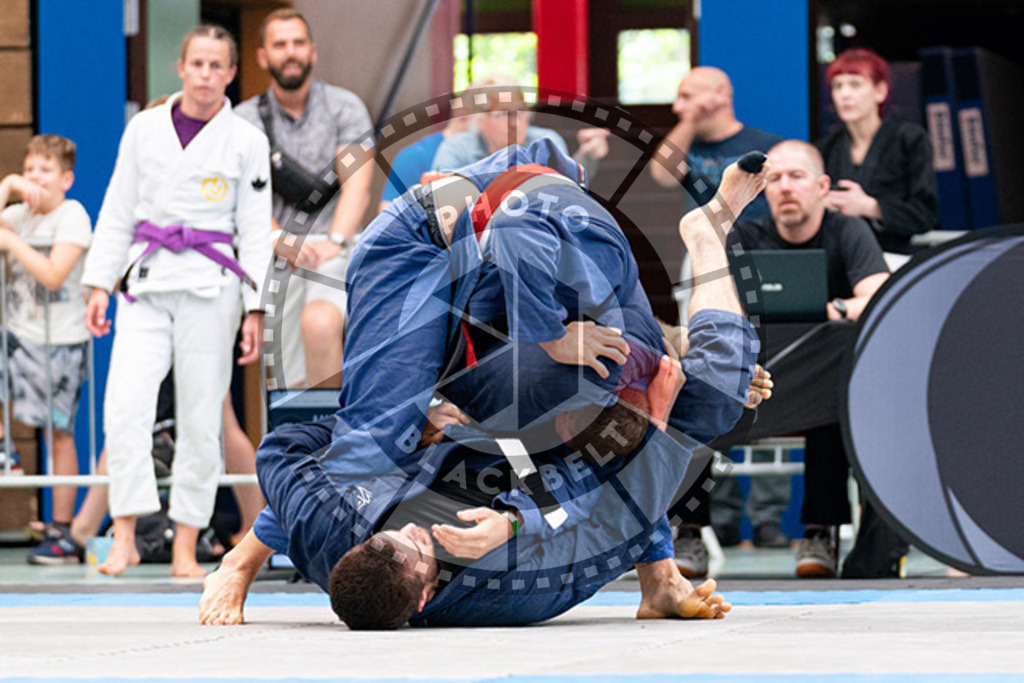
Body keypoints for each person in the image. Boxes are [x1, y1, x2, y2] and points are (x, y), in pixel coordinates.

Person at [198, 158, 767, 627]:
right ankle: (706, 236)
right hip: (517, 419)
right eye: (419, 549)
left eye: (388, 535)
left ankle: (508, 186)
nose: (414, 530)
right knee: (713, 392)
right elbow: (607, 522)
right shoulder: (507, 587)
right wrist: (654, 429)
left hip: (427, 275)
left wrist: (413, 422)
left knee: (374, 438)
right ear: (426, 597)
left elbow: (286, 449)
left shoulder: (334, 530)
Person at [81, 24, 272, 577]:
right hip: (146, 280)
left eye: (218, 66)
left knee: (200, 418)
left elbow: (254, 230)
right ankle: (125, 535)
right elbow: (117, 209)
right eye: (198, 64)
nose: (207, 75)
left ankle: (186, 544)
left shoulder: (246, 141)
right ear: (181, 68)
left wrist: (253, 307)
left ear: (231, 74)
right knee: (124, 408)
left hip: (211, 286)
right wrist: (100, 283)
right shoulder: (144, 129)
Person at [731, 140, 895, 578]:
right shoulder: (746, 237)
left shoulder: (848, 231)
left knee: (836, 383)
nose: (785, 187)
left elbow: (880, 294)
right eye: (775, 179)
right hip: (759, 378)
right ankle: (686, 531)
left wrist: (831, 311)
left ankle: (820, 530)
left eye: (797, 176)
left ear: (822, 185)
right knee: (700, 372)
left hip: (825, 381)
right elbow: (720, 309)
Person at [649, 67, 785, 562]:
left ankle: (768, 518)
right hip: (705, 257)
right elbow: (660, 173)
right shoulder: (686, 143)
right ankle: (714, 517)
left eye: (689, 93)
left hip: (761, 254)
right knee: (708, 367)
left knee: (758, 378)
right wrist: (688, 118)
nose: (678, 102)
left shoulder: (762, 142)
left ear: (722, 93)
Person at [235, 8, 373, 390]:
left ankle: (333, 443)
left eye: (298, 43)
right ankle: (295, 446)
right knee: (285, 371)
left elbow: (357, 186)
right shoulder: (244, 120)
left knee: (321, 323)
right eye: (280, 45)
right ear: (263, 56)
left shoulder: (345, 107)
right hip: (274, 248)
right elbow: (244, 198)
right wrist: (280, 240)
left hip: (335, 245)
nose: (290, 52)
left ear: (312, 51)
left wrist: (335, 242)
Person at [0, 135, 91, 554]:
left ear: (66, 179)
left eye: (45, 171)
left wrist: (12, 242)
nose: (36, 179)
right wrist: (8, 187)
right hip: (17, 333)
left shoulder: (72, 216)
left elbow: (54, 274)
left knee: (60, 432)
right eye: (30, 169)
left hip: (61, 343)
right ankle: (8, 453)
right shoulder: (18, 213)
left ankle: (62, 528)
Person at [818, 48, 939, 254]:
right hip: (839, 257)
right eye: (837, 86)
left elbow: (925, 214)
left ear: (880, 91)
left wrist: (870, 207)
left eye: (855, 84)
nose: (844, 94)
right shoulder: (825, 148)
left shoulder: (910, 139)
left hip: (893, 255)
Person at [431, 76, 610, 180]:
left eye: (520, 111)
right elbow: (441, 203)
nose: (514, 122)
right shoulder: (456, 148)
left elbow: (565, 191)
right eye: (502, 113)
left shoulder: (546, 142)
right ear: (480, 120)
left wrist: (588, 157)